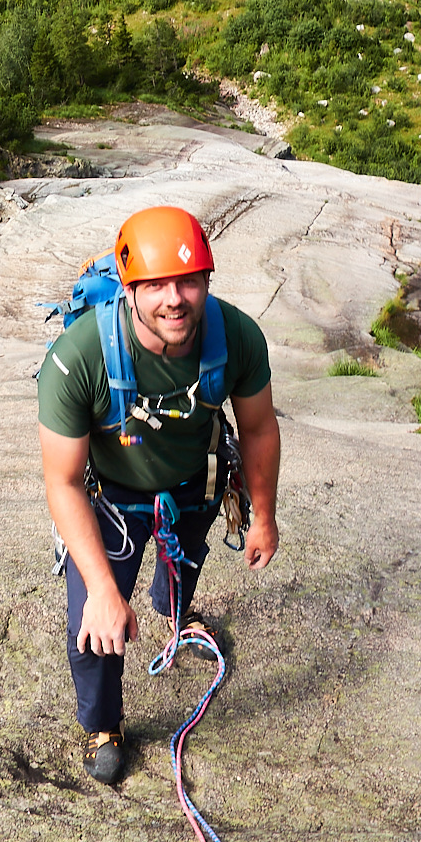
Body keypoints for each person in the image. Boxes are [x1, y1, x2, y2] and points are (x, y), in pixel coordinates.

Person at [37, 205, 280, 785]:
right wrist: (99, 588)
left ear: (207, 281)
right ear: (129, 288)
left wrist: (264, 517)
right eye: (156, 286)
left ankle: (174, 613)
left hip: (190, 485)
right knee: (95, 627)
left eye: (189, 280)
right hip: (109, 498)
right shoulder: (79, 359)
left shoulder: (236, 337)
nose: (175, 299)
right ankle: (103, 723)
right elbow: (62, 480)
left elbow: (260, 427)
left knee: (182, 570)